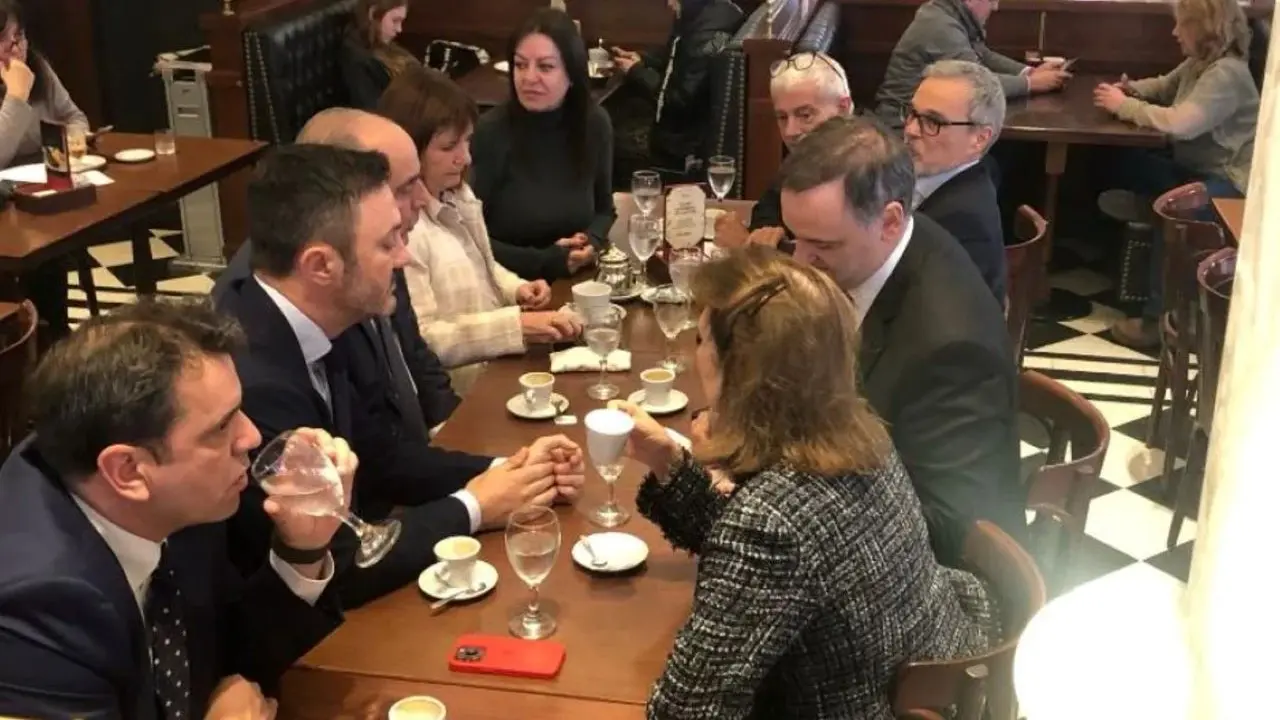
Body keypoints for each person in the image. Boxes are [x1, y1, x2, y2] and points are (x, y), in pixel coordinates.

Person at [612, 247, 996, 719]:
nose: (697, 356)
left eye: (701, 339)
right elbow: (777, 567)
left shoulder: (772, 523)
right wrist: (669, 461)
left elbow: (687, 710)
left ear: (738, 372)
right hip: (941, 686)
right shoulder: (859, 432)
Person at [214, 144, 586, 608]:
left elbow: (381, 458)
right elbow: (332, 558)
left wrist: (513, 470)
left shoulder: (325, 316)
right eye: (387, 242)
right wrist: (475, 507)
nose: (405, 256)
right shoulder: (253, 380)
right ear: (320, 266)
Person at [0, 299, 348, 718]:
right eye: (222, 427)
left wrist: (302, 547)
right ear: (128, 470)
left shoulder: (171, 499)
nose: (252, 436)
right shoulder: (36, 609)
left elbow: (233, 651)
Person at [779, 116, 1024, 567]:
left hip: (942, 588)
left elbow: (946, 527)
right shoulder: (889, 245)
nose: (800, 262)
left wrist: (786, 493)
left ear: (890, 220)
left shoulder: (950, 350)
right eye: (796, 239)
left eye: (822, 247)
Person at [214, 107, 463, 431]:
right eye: (403, 187)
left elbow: (383, 450)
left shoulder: (347, 276)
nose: (422, 199)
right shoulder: (262, 366)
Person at [378, 67, 583, 395]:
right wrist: (515, 326)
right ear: (408, 150)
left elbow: (482, 265)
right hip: (464, 392)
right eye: (449, 147)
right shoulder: (404, 232)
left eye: (467, 141)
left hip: (500, 367)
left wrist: (516, 288)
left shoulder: (457, 194)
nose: (465, 157)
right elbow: (425, 339)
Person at [1093, 0, 1256, 349]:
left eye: (1181, 24)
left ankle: (1157, 322)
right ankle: (1147, 205)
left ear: (1203, 27)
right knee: (1123, 162)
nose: (1174, 31)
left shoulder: (1226, 73)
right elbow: (1165, 86)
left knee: (1173, 215)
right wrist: (1132, 89)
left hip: (1229, 186)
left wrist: (1125, 107)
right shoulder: (1201, 64)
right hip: (1196, 170)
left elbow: (1181, 124)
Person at [470, 8, 614, 282]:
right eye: (521, 65)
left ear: (572, 73)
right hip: (507, 284)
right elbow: (471, 239)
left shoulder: (594, 123)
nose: (528, 78)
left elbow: (604, 209)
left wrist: (592, 242)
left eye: (545, 67)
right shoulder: (490, 132)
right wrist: (548, 261)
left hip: (577, 279)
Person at [1, 0, 87, 344]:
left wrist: (75, 141)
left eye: (20, 36)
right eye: (6, 39)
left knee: (50, 251)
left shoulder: (37, 67)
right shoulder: (20, 84)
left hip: (38, 197)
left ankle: (56, 336)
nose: (18, 48)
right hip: (3, 210)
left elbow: (74, 118)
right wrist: (16, 98)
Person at [714, 51, 853, 251]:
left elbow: (828, 266)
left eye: (805, 115)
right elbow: (764, 216)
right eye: (782, 117)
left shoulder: (863, 168)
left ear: (842, 108)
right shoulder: (805, 157)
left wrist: (747, 248)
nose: (790, 131)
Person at [874, 0, 1069, 130]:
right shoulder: (939, 25)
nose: (995, 7)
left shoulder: (950, 15)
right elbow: (974, 84)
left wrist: (1029, 71)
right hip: (903, 126)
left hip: (927, 120)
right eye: (992, 0)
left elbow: (983, 54)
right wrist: (1031, 83)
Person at [906, 60, 1007, 302]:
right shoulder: (933, 177)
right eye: (912, 114)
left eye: (933, 122)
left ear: (979, 139)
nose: (910, 129)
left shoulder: (962, 221)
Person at [609, 0, 745, 180]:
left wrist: (636, 72)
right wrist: (642, 59)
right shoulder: (721, 14)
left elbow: (679, 99)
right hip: (690, 133)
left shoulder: (703, 34)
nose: (669, 3)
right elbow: (678, 58)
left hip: (681, 147)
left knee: (605, 135)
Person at [340, 0, 417, 110]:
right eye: (395, 21)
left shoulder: (382, 45)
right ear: (373, 14)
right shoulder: (359, 60)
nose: (399, 29)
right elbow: (372, 110)